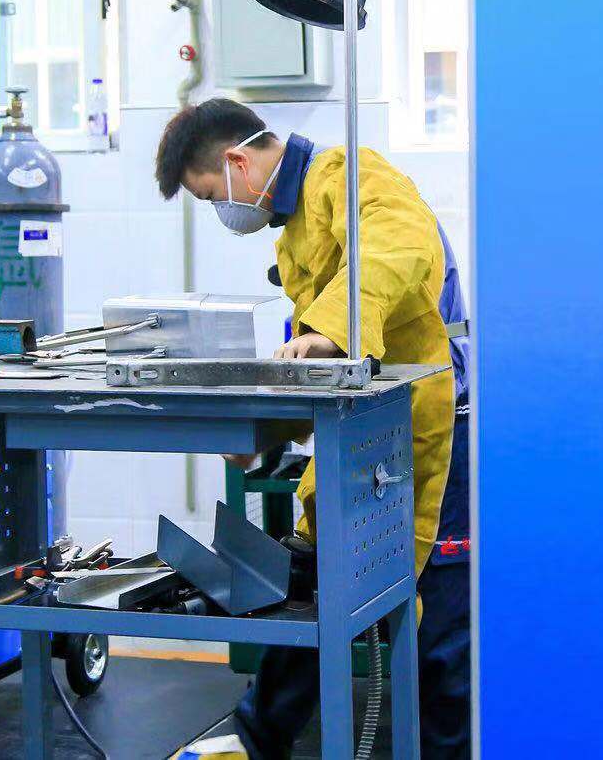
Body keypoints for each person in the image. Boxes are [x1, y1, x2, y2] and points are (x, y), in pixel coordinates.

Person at [156, 98, 471, 759]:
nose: (222, 211)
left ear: (238, 161)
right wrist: (265, 431)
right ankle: (254, 740)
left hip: (434, 427)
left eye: (212, 195)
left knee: (439, 630)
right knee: (318, 591)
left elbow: (396, 246)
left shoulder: (349, 175)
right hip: (368, 433)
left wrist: (333, 325)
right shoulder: (297, 225)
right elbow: (316, 358)